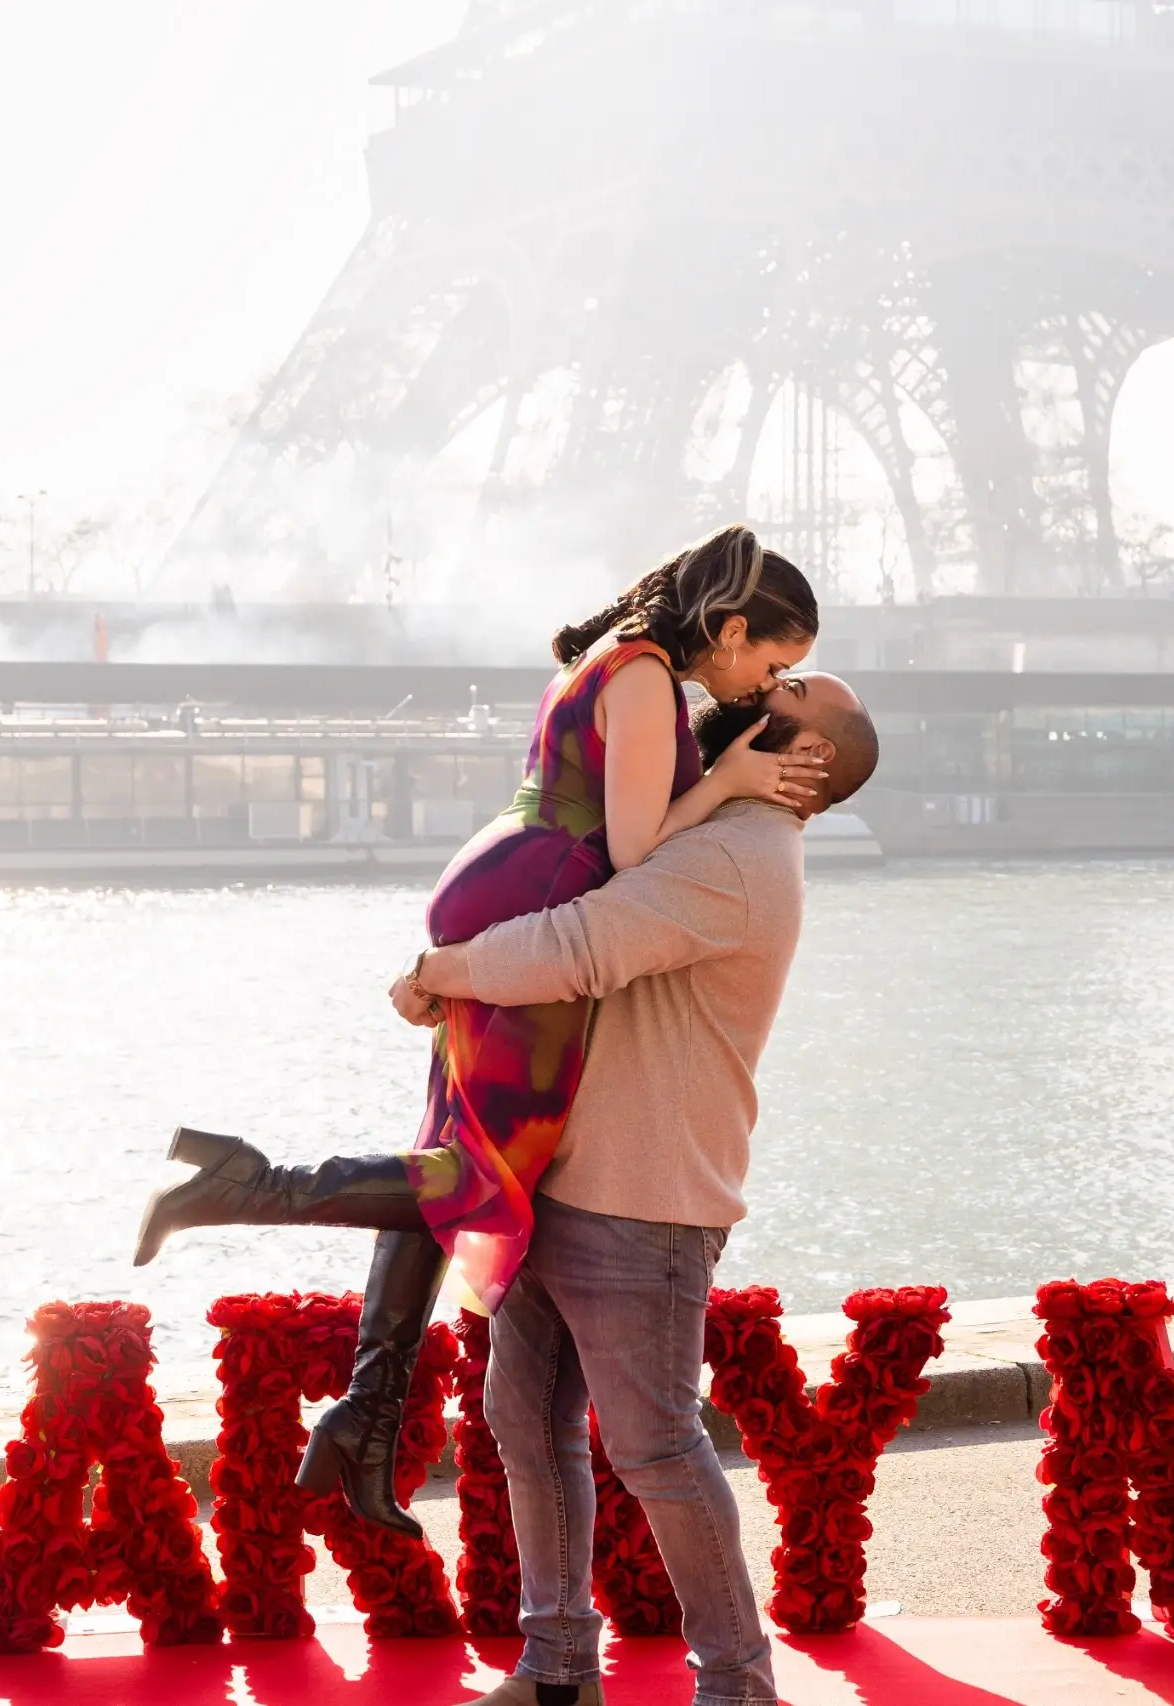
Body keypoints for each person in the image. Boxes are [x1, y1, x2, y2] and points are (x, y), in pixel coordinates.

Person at [132, 525, 822, 1538]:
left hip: (501, 885)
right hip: (530, 901)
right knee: (474, 1178)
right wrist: (724, 787)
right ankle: (249, 1184)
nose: (768, 686)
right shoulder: (643, 680)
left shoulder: (615, 660)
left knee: (447, 1164)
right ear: (725, 627)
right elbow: (634, 850)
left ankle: (366, 1421)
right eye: (774, 660)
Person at [402, 676, 880, 1706]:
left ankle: (738, 1685)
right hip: (564, 1178)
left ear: (802, 756)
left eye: (785, 690)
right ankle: (559, 1665)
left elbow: (581, 945)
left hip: (643, 1198)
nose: (755, 683)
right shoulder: (700, 828)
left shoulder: (735, 859)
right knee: (525, 1420)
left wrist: (442, 971)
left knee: (656, 1445)